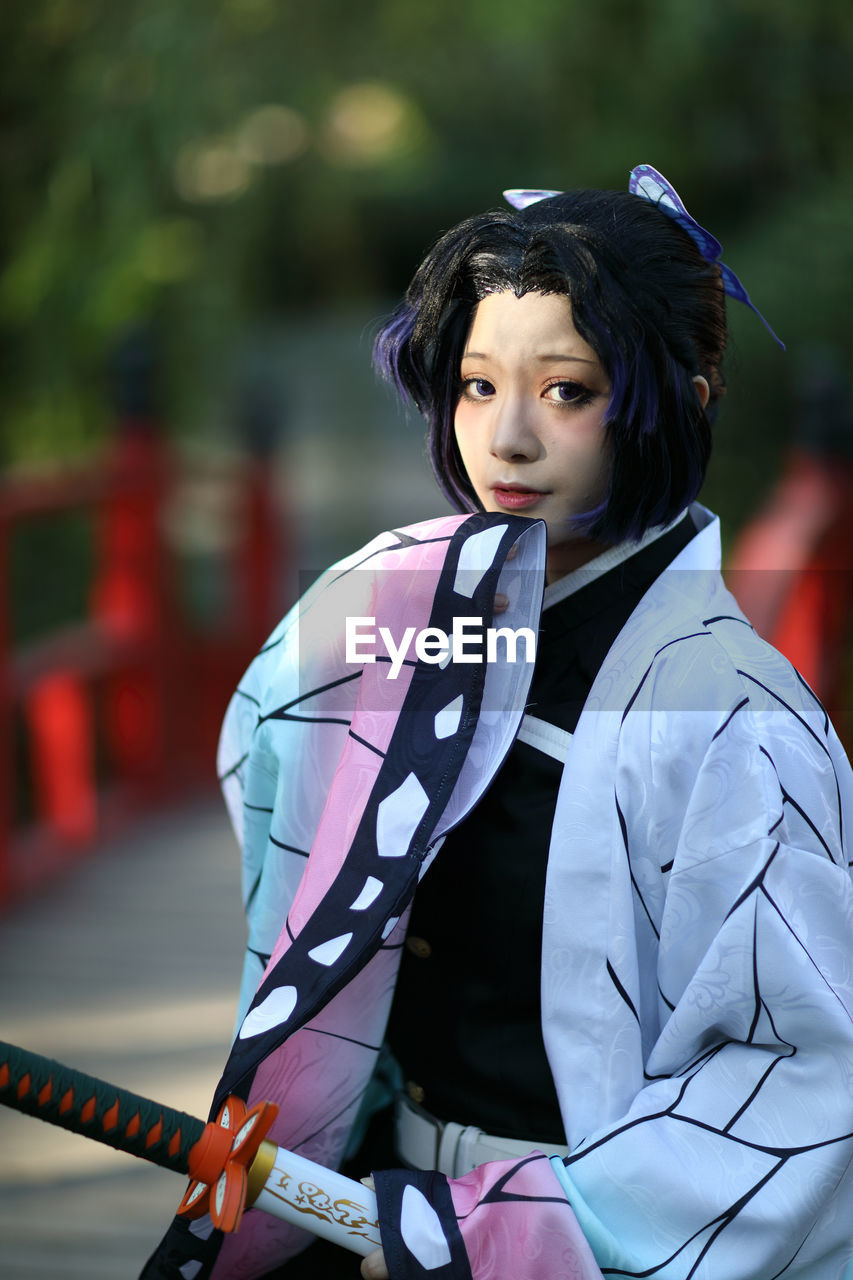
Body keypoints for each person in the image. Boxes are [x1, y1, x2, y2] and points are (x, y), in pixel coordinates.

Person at [142, 167, 853, 1280]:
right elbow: (288, 810)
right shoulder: (392, 606)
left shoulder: (732, 718)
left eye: (566, 391)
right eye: (477, 386)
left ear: (686, 396)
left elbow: (799, 1077)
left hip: (581, 1238)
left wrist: (494, 1230)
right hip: (371, 1201)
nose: (507, 438)